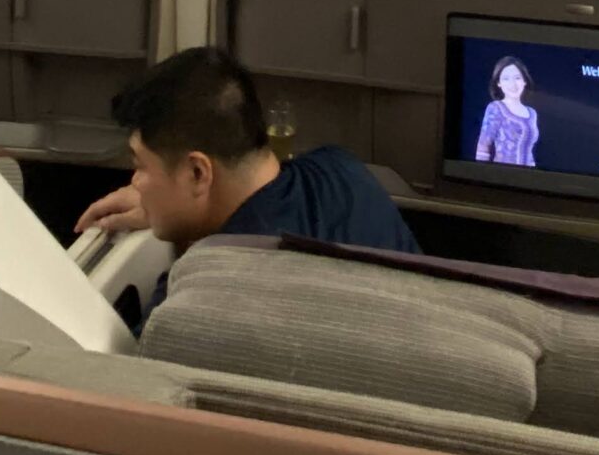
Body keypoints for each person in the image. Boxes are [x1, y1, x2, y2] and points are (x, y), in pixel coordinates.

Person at [75, 47, 419, 299]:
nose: (135, 182)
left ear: (198, 173)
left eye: (139, 166)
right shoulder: (343, 169)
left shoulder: (197, 294)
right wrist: (168, 199)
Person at [473, 54, 540, 167]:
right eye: (506, 78)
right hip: (503, 177)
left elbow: (530, 151)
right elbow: (483, 145)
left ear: (524, 81)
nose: (512, 84)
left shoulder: (532, 113)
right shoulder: (496, 108)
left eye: (517, 78)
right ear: (499, 83)